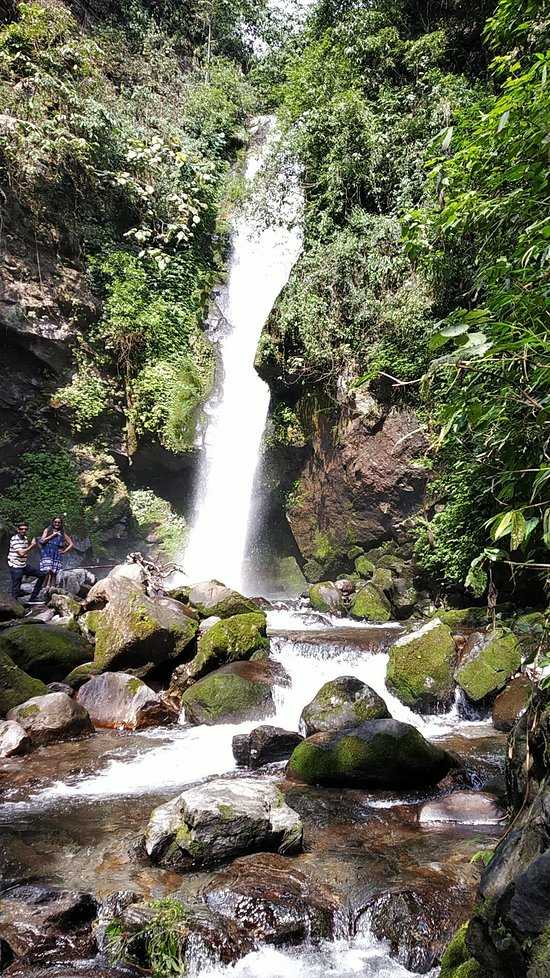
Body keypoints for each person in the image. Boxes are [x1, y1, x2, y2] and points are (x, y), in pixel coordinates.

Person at [7, 521, 46, 604]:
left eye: (25, 529)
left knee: (42, 574)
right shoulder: (14, 539)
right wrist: (32, 545)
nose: (23, 531)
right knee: (16, 586)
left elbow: (28, 550)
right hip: (15, 566)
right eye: (21, 529)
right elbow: (21, 553)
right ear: (18, 530)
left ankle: (33, 598)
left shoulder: (25, 538)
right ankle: (14, 606)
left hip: (23, 565)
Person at [39, 516, 74, 590]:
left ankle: (52, 587)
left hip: (57, 553)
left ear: (61, 524)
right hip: (47, 552)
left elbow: (71, 544)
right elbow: (42, 541)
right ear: (52, 522)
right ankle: (45, 586)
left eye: (59, 522)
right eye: (55, 522)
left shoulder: (62, 533)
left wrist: (64, 551)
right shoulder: (47, 530)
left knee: (54, 572)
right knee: (48, 570)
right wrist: (53, 535)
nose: (57, 524)